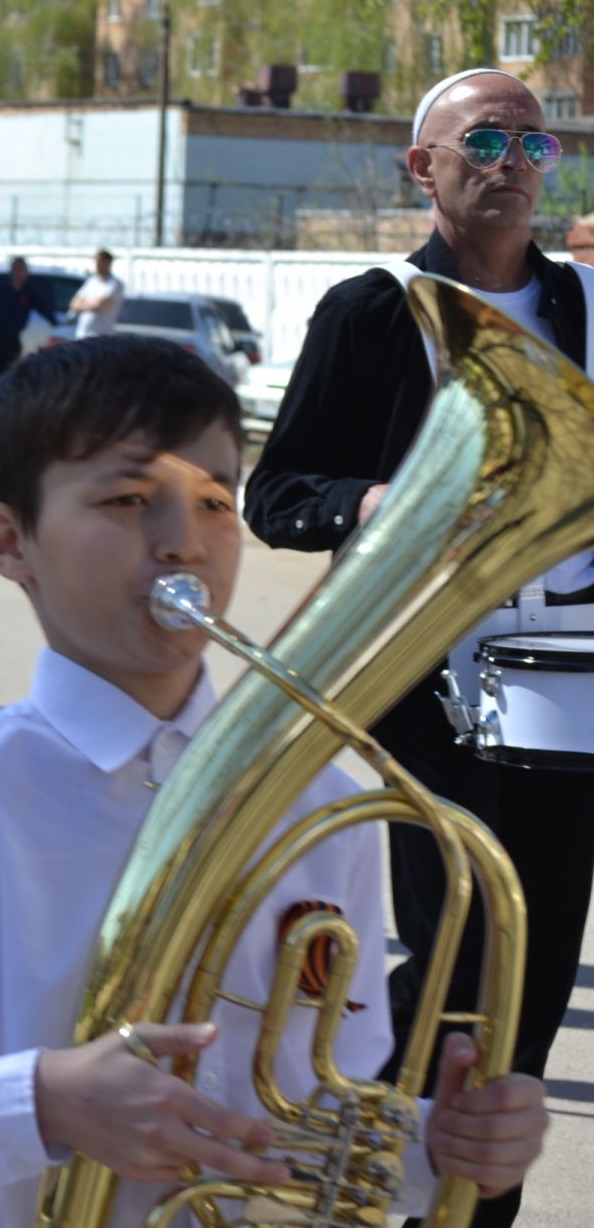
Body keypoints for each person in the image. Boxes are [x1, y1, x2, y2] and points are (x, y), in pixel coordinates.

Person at [0, 335, 551, 1227]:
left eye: (215, 502)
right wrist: (44, 1101)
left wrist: (435, 1149)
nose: (184, 544)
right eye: (128, 499)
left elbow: (329, 1109)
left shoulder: (326, 807)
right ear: (11, 544)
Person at [244, 68, 594, 1228]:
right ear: (422, 166)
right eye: (482, 139)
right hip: (423, 687)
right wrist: (376, 501)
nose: (510, 161)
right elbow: (277, 491)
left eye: (532, 143)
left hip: (566, 688)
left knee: (529, 989)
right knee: (450, 968)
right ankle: (372, 1185)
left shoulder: (588, 302)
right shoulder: (371, 308)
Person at [0, 255, 60, 377]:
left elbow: (44, 309)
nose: (19, 274)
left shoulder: (29, 293)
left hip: (13, 340)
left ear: (27, 273)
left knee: (10, 376)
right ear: (11, 272)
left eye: (22, 270)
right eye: (16, 270)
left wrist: (55, 323)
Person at [68, 247, 125, 338]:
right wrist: (90, 303)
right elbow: (74, 303)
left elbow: (99, 305)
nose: (97, 264)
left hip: (100, 336)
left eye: (100, 261)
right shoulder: (91, 281)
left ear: (108, 263)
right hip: (82, 334)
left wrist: (84, 303)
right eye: (95, 261)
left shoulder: (115, 284)